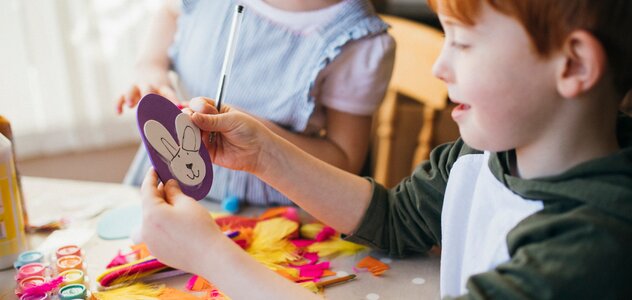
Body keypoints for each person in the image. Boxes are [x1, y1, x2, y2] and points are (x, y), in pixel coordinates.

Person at [139, 0, 632, 298]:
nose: (440, 67)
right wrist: (263, 153)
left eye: (462, 43)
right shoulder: (484, 157)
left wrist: (211, 256)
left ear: (572, 65)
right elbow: (396, 219)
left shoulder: (591, 245)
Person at [117, 0, 395, 205]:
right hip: (166, 183)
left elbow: (343, 162)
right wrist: (152, 76)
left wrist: (260, 139)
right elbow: (158, 44)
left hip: (268, 209)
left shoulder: (357, 40)